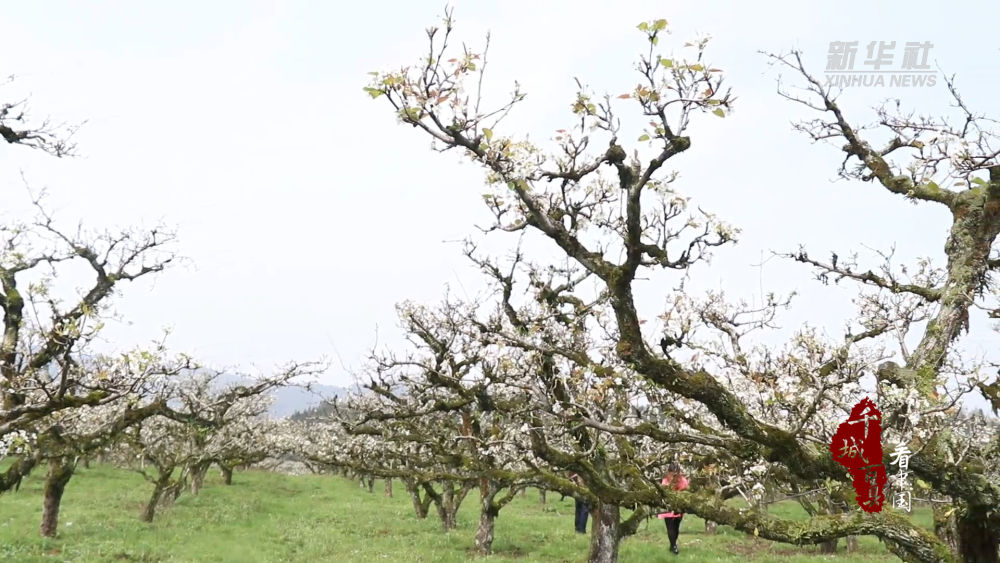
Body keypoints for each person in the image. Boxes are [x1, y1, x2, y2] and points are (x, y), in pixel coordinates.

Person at [658, 462, 689, 554]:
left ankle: (673, 545)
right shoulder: (665, 481)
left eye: (676, 474)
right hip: (668, 507)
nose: (674, 477)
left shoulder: (683, 481)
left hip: (679, 508)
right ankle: (674, 546)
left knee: (676, 527)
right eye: (672, 474)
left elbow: (686, 494)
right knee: (670, 527)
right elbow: (664, 494)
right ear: (668, 473)